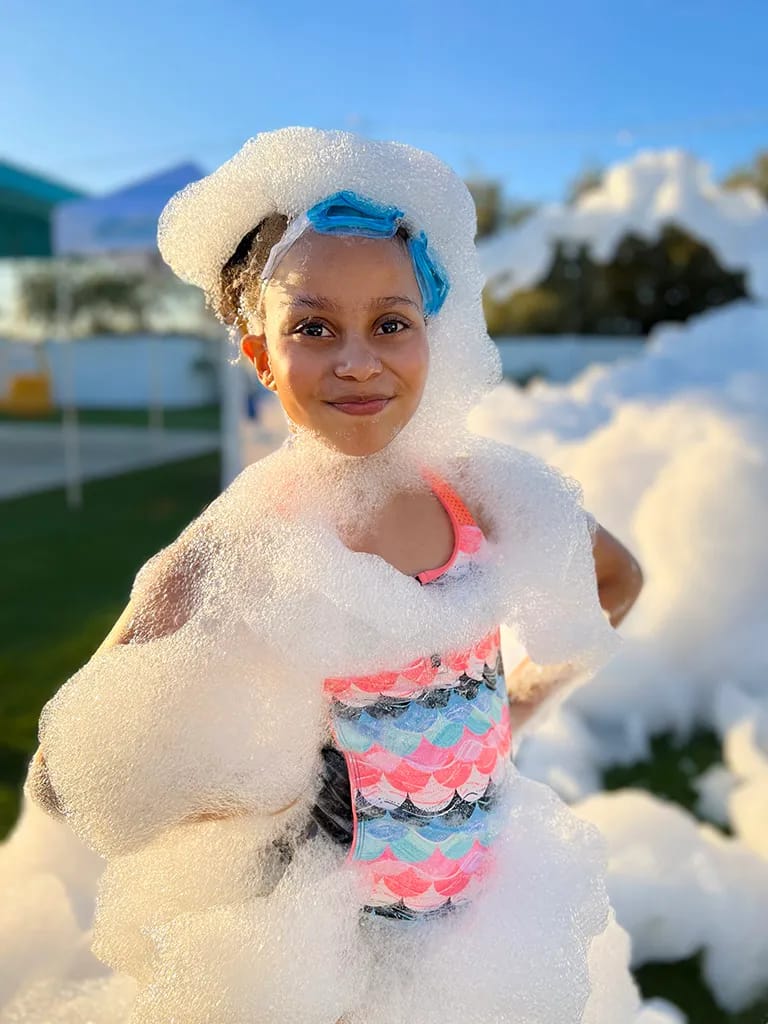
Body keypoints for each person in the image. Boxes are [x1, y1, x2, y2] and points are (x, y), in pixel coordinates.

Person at [26, 128, 645, 1024]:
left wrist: (510, 710)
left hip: (484, 940)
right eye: (313, 327)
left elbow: (612, 583)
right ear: (260, 355)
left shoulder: (484, 492)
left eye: (390, 323)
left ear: (431, 335)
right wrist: (268, 788)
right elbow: (67, 775)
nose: (358, 358)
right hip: (324, 955)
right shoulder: (234, 545)